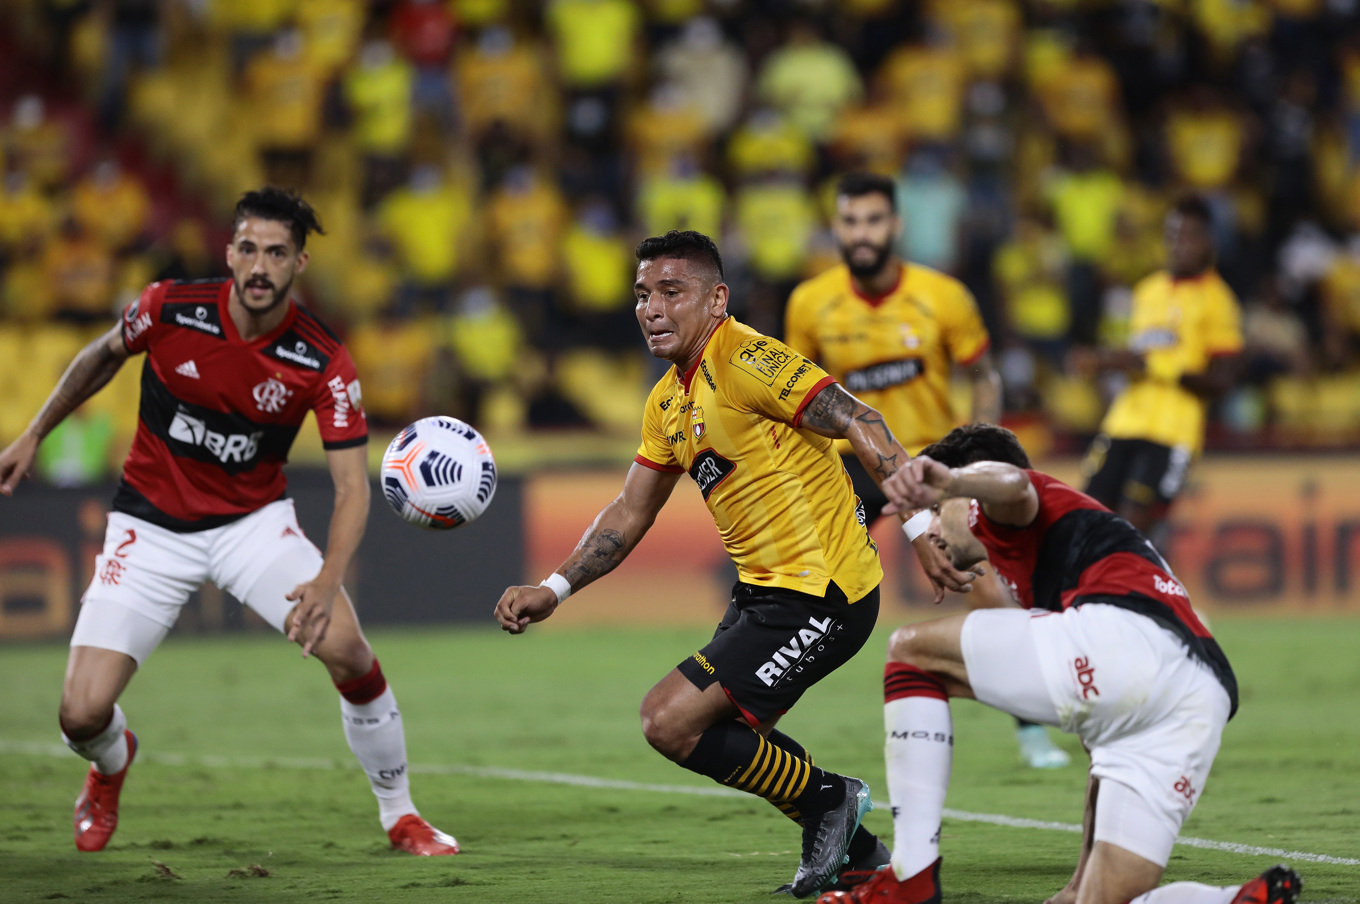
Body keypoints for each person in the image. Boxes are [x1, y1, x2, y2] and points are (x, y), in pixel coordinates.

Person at [493, 230, 978, 899]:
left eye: (671, 291)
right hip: (762, 594)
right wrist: (555, 587)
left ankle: (833, 800)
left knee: (667, 720)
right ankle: (859, 853)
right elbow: (629, 513)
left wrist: (921, 524)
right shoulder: (667, 401)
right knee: (737, 743)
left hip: (822, 591)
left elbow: (859, 417)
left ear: (716, 299)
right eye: (641, 294)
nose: (651, 308)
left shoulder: (749, 360)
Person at [0, 188, 459, 857]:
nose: (260, 265)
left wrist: (328, 581)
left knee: (350, 653)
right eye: (248, 248)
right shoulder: (169, 309)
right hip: (148, 525)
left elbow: (352, 488)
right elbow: (101, 355)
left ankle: (401, 814)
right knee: (79, 715)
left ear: (299, 262)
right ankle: (110, 763)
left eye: (276, 252)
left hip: (253, 525)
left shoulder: (321, 360)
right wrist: (32, 433)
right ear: (230, 252)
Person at [815, 423, 1301, 904]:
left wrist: (952, 482)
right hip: (1197, 700)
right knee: (1098, 901)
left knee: (911, 651)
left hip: (1132, 640)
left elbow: (1015, 483)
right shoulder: (1058, 560)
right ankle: (1237, 899)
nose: (934, 530)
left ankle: (911, 874)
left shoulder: (1009, 505)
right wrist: (1076, 883)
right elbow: (1101, 754)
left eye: (937, 512)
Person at [784, 172, 1069, 771]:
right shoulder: (809, 303)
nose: (862, 233)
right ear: (836, 228)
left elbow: (984, 373)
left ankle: (1031, 723)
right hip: (853, 464)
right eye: (850, 222)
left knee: (986, 581)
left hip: (932, 462)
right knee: (803, 579)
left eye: (873, 220)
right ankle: (765, 702)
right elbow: (799, 398)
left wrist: (984, 452)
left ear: (896, 225)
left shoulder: (944, 297)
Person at [1079, 196, 1242, 549]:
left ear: (1208, 241)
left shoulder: (1219, 301)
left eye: (1189, 236)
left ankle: (1143, 598)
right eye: (1172, 235)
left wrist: (1158, 367)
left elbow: (1223, 381)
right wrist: (1105, 362)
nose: (1178, 245)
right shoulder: (1147, 291)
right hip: (1124, 420)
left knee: (1138, 526)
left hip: (1174, 429)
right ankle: (1089, 599)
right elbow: (1136, 357)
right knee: (1087, 514)